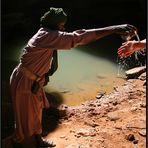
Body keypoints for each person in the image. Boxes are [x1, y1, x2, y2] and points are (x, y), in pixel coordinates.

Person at [10, 7, 137, 148]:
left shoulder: (46, 33)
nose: (63, 28)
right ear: (54, 24)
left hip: (32, 79)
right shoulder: (47, 36)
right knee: (26, 115)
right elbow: (78, 37)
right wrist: (113, 29)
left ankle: (37, 139)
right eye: (61, 25)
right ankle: (25, 142)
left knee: (36, 111)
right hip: (25, 80)